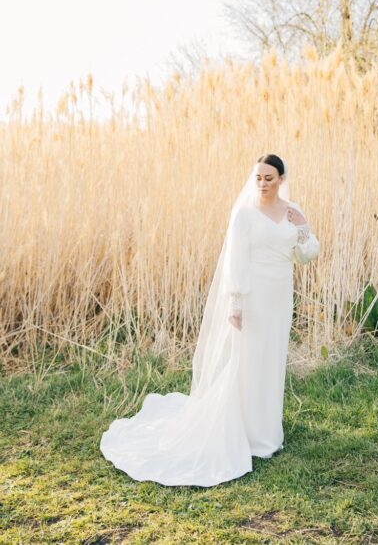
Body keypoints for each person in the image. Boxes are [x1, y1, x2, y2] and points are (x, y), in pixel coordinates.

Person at [100, 153, 321, 486]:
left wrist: (303, 226)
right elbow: (236, 260)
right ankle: (243, 431)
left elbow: (305, 256)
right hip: (254, 296)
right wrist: (235, 302)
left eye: (269, 178)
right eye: (258, 177)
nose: (262, 183)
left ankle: (267, 433)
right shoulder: (245, 214)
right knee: (246, 360)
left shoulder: (292, 211)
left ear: (282, 179)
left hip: (280, 297)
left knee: (272, 359)